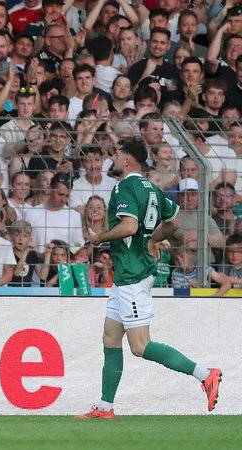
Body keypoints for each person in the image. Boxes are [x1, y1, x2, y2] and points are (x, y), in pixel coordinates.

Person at [76, 137, 222, 419]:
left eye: (117, 153)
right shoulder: (152, 189)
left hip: (132, 274)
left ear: (127, 159)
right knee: (110, 336)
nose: (113, 158)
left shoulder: (124, 187)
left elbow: (129, 226)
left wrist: (100, 238)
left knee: (140, 346)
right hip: (128, 274)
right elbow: (175, 223)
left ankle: (206, 374)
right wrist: (152, 241)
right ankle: (105, 408)